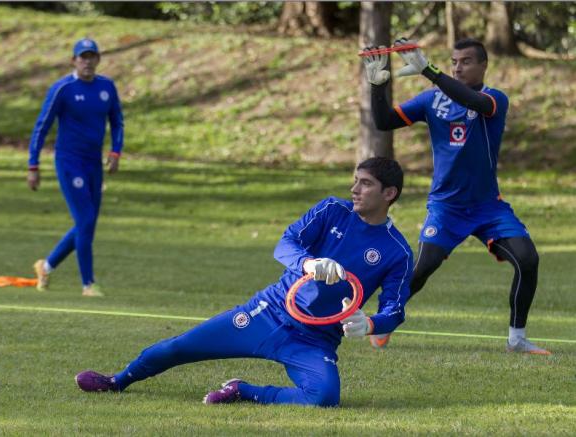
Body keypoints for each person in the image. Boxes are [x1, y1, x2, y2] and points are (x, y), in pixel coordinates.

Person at [75, 157, 413, 406]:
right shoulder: (331, 210)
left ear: (389, 193)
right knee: (180, 347)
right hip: (268, 313)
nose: (354, 189)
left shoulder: (397, 251)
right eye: (355, 180)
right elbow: (285, 244)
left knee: (324, 398)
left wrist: (368, 324)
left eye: (365, 183)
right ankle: (117, 381)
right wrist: (309, 263)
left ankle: (243, 391)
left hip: (315, 340)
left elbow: (395, 310)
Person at [363, 37, 549, 355]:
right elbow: (384, 122)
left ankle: (517, 339)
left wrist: (430, 71)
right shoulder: (431, 100)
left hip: (489, 208)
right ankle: (383, 323)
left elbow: (472, 102)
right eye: (453, 62)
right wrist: (377, 87)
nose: (458, 67)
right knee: (421, 270)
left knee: (528, 260)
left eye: (465, 61)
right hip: (446, 208)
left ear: (483, 65)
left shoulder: (495, 99)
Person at [27, 38, 124, 297]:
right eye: (83, 57)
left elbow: (117, 122)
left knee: (87, 224)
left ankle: (45, 267)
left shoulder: (107, 87)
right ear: (74, 60)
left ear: (98, 59)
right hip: (69, 162)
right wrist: (33, 164)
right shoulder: (63, 89)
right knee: (86, 220)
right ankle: (88, 284)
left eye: (92, 56)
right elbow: (42, 126)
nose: (88, 61)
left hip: (94, 163)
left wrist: (115, 151)